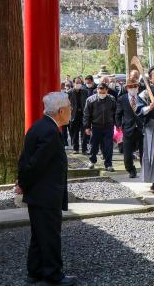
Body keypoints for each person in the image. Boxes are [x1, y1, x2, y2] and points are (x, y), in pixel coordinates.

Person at [16, 92, 75, 285]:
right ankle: (53, 274)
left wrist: (22, 183)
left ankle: (35, 271)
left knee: (39, 234)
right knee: (49, 235)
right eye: (69, 107)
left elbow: (27, 161)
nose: (71, 110)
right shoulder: (49, 132)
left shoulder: (40, 127)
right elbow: (35, 165)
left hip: (39, 193)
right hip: (46, 193)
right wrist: (23, 184)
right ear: (60, 111)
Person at [83, 83, 117, 172]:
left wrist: (117, 125)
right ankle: (92, 161)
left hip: (108, 126)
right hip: (95, 126)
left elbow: (115, 113)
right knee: (93, 145)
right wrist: (87, 127)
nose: (101, 93)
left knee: (108, 146)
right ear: (97, 90)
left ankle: (108, 164)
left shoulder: (112, 100)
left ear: (107, 91)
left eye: (103, 92)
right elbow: (87, 115)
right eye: (99, 91)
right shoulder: (90, 100)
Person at [116, 76, 144, 178]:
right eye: (130, 87)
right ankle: (131, 170)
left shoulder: (143, 97)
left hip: (141, 129)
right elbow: (118, 114)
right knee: (127, 154)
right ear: (127, 88)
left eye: (135, 86)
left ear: (138, 87)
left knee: (143, 153)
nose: (133, 88)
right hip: (128, 129)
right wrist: (119, 126)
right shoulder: (121, 99)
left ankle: (144, 171)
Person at [68, 77, 87, 154]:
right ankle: (75, 148)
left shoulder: (85, 92)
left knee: (84, 133)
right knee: (74, 133)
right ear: (73, 83)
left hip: (83, 115)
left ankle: (84, 149)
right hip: (73, 115)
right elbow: (66, 103)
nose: (78, 84)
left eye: (79, 83)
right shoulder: (69, 92)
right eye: (76, 82)